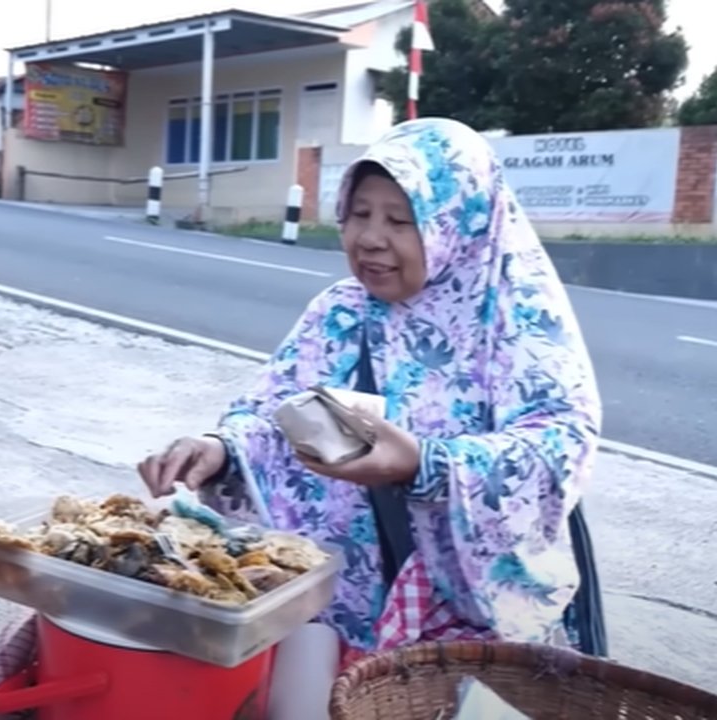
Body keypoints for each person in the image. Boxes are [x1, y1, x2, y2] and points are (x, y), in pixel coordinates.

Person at [140, 117, 602, 662]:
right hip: (337, 607)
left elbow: (561, 444)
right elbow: (277, 415)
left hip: (464, 618)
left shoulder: (517, 317)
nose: (370, 238)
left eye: (401, 220)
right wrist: (220, 450)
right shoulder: (340, 311)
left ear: (458, 223)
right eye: (359, 214)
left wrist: (425, 463)